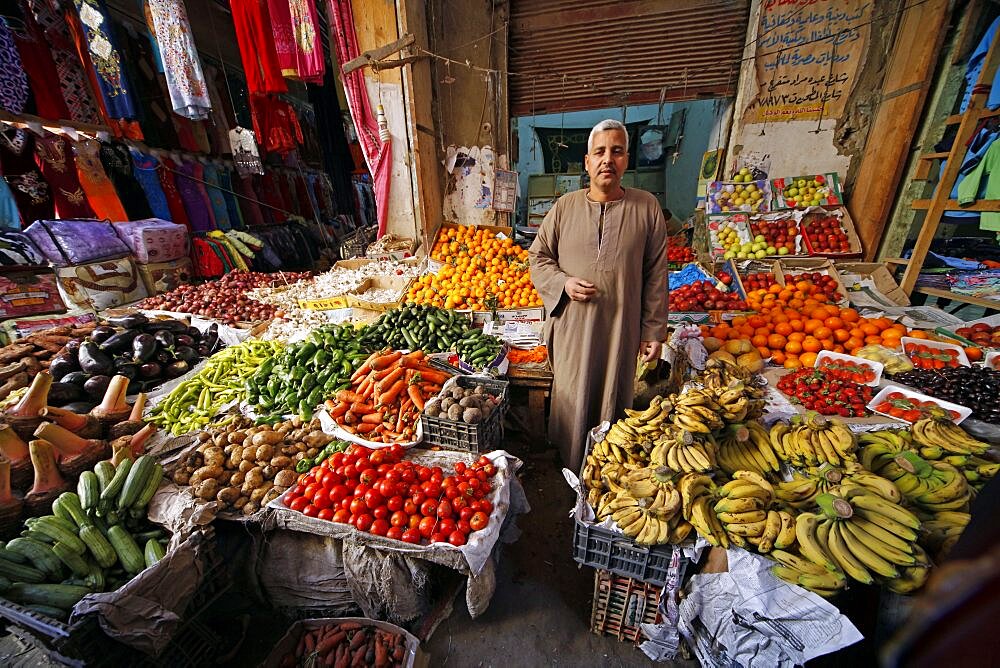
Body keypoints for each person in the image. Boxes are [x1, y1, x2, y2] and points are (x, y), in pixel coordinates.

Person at [529, 119, 669, 470]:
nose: (608, 159)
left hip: (620, 327)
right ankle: (567, 463)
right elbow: (538, 257)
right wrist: (563, 283)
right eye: (600, 152)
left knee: (612, 393)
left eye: (617, 151)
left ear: (626, 160)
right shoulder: (564, 207)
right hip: (574, 327)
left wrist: (653, 329)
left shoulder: (647, 207)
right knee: (571, 393)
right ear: (588, 162)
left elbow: (656, 273)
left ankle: (606, 468)